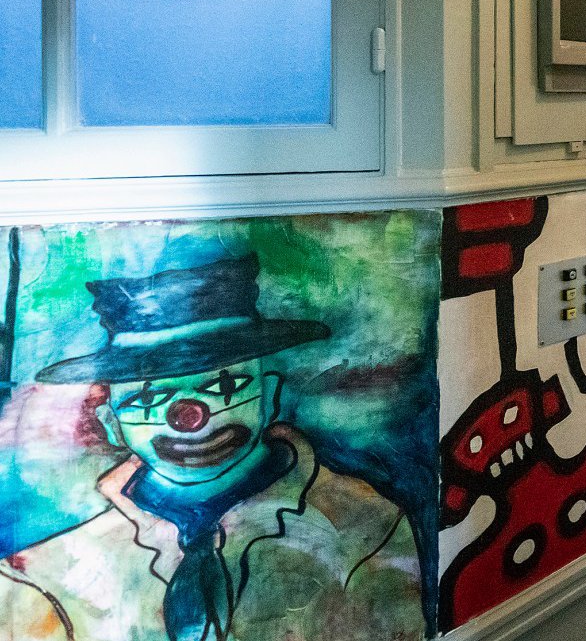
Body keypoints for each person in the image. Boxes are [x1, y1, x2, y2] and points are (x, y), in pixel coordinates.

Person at [0, 250, 425, 641]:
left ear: (270, 396)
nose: (190, 420)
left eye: (224, 385)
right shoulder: (49, 574)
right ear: (113, 424)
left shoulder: (366, 529)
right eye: (146, 399)